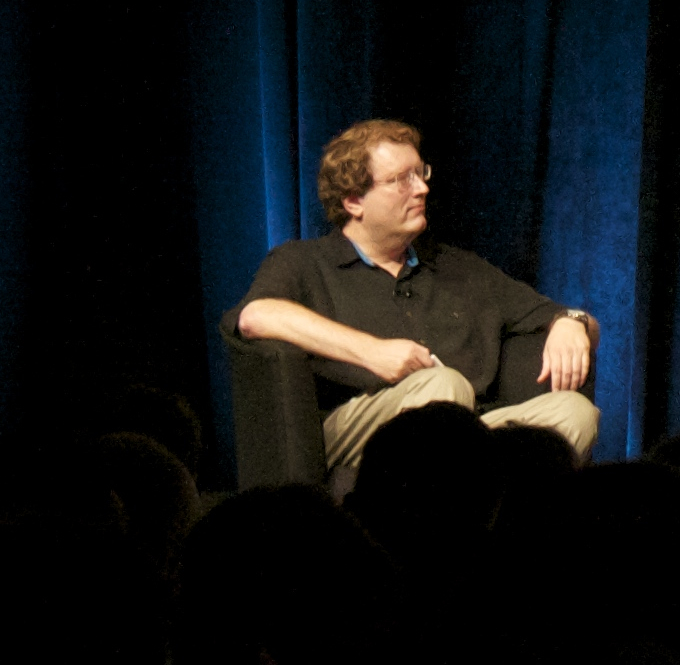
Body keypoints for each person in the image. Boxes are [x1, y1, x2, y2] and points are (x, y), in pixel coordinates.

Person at [228, 118, 600, 467]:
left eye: (420, 173)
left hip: (467, 426)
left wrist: (572, 322)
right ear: (353, 201)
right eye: (400, 180)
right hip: (361, 423)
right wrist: (372, 352)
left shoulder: (461, 267)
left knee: (573, 412)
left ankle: (482, 510)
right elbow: (256, 316)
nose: (421, 188)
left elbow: (561, 314)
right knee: (443, 386)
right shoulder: (305, 262)